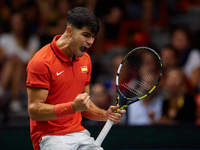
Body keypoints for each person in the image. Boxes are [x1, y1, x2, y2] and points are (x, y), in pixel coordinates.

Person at [26, 7, 125, 150]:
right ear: (70, 31)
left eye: (93, 36)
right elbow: (34, 110)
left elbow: (84, 104)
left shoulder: (85, 60)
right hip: (50, 137)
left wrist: (105, 115)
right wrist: (72, 107)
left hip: (78, 133)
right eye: (86, 35)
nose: (90, 41)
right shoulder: (41, 62)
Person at [0, 11, 40, 113]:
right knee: (12, 63)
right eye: (13, 23)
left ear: (24, 24)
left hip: (26, 75)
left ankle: (1, 89)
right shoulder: (5, 38)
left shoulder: (32, 40)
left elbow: (33, 62)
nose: (15, 26)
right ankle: (15, 99)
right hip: (6, 73)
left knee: (16, 64)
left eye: (18, 23)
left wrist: (18, 60)